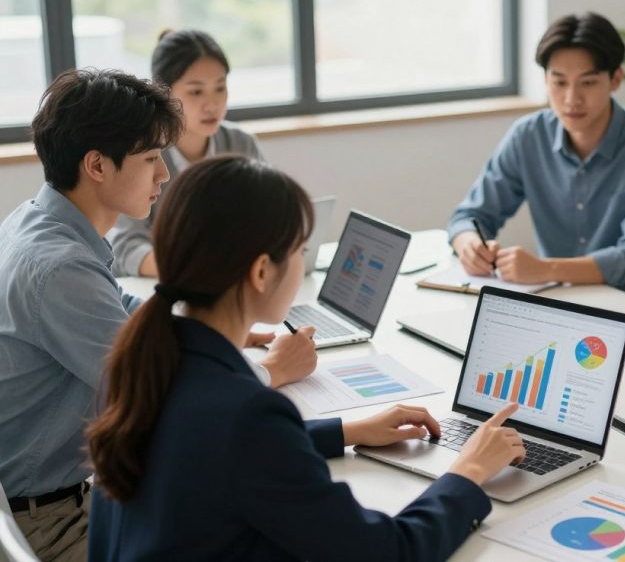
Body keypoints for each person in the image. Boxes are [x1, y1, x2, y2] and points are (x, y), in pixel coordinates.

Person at [86, 156, 526, 561]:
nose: (302, 263)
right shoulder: (247, 414)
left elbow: (216, 451)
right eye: (299, 250)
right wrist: (467, 473)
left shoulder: (139, 363)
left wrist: (347, 430)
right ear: (261, 272)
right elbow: (387, 553)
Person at [0, 70, 312, 562]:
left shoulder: (42, 224)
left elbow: (131, 318)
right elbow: (161, 398)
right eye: (150, 159)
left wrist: (219, 333)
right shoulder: (58, 268)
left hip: (64, 498)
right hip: (51, 524)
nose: (164, 175)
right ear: (97, 165)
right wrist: (271, 370)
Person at [448, 12, 625, 294]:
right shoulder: (528, 136)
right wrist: (470, 245)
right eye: (559, 82)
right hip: (557, 299)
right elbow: (469, 216)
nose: (572, 99)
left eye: (588, 82)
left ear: (616, 79)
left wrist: (546, 269)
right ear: (546, 81)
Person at [109, 29, 263, 277]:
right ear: (165, 93)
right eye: (196, 91)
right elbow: (126, 246)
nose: (212, 104)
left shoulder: (241, 145)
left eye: (220, 88)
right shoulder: (142, 153)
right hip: (165, 288)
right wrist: (196, 271)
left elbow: (268, 219)